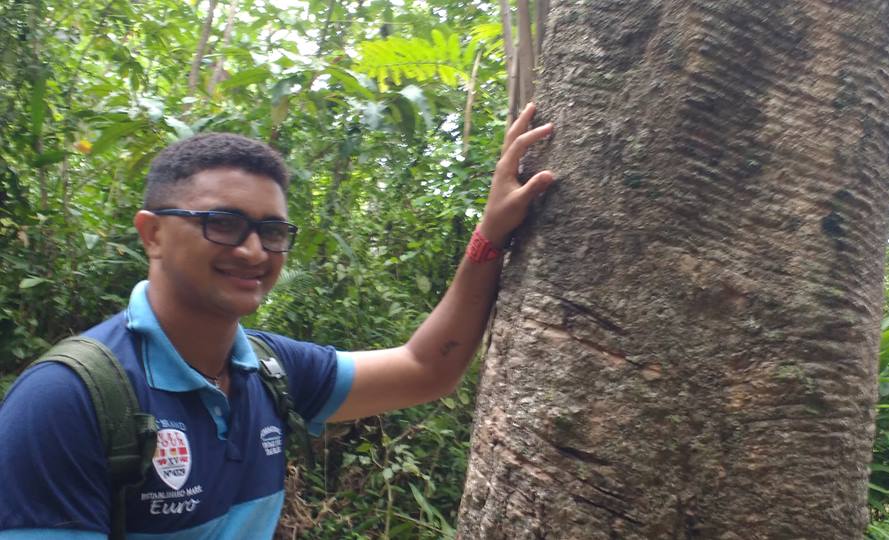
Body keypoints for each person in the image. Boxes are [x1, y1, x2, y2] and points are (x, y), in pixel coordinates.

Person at [0, 103, 554, 538]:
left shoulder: (270, 370)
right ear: (153, 234)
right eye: (222, 222)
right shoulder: (66, 400)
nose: (253, 251)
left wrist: (490, 236)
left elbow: (426, 368)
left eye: (272, 231)